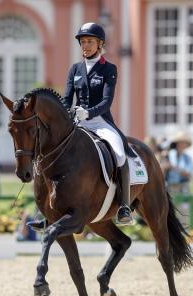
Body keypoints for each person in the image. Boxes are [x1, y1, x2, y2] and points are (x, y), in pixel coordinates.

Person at [62, 22, 134, 225]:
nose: (85, 46)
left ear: (100, 43)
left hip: (100, 121)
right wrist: (67, 113)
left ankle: (124, 205)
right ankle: (46, 209)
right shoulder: (75, 69)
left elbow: (106, 101)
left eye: (90, 42)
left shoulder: (108, 69)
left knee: (120, 154)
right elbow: (67, 99)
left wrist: (89, 112)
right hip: (78, 121)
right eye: (83, 42)